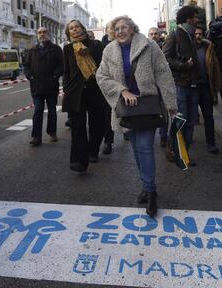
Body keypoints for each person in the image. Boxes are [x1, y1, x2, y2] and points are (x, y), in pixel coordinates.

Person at [96, 15, 177, 217]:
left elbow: (163, 73)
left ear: (133, 29)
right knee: (135, 148)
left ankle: (151, 192)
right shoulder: (109, 50)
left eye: (125, 27)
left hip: (147, 105)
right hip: (126, 108)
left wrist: (170, 103)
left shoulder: (149, 46)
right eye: (117, 29)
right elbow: (101, 76)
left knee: (144, 147)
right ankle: (146, 185)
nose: (121, 31)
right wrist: (122, 90)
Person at [62, 19, 108, 172]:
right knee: (77, 126)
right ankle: (78, 161)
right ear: (69, 33)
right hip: (76, 92)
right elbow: (66, 71)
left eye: (77, 27)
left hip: (95, 89)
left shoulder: (95, 45)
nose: (74, 30)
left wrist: (88, 51)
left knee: (98, 124)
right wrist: (67, 89)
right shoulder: (68, 49)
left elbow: (103, 64)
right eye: (71, 28)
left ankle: (93, 150)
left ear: (82, 28)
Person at [163, 5, 201, 152]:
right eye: (196, 17)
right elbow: (165, 58)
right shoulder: (175, 35)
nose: (197, 20)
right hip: (179, 85)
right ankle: (175, 150)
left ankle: (186, 152)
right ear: (189, 19)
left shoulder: (190, 35)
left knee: (191, 121)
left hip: (193, 84)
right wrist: (184, 65)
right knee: (181, 119)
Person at [23, 27, 63, 146]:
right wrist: (29, 76)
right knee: (38, 110)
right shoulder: (32, 50)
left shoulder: (55, 49)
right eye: (39, 32)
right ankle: (36, 136)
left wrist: (55, 75)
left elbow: (62, 65)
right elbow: (26, 65)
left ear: (49, 34)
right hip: (36, 86)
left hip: (51, 86)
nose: (41, 34)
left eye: (44, 32)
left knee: (52, 111)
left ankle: (52, 133)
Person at [194, 25, 221, 154]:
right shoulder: (187, 49)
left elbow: (215, 67)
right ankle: (187, 142)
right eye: (195, 34)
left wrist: (216, 88)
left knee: (208, 116)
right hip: (192, 88)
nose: (198, 36)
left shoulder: (208, 48)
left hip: (205, 87)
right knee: (189, 117)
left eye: (200, 34)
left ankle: (211, 143)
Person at [148, 27, 167, 148]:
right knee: (151, 113)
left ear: (160, 35)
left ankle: (163, 136)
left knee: (164, 112)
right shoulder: (144, 49)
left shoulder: (166, 47)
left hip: (164, 84)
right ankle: (150, 137)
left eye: (156, 34)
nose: (154, 36)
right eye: (151, 34)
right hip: (150, 86)